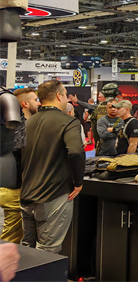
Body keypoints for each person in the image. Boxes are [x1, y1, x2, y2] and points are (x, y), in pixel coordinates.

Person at [20, 80, 85, 253]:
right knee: (47, 252)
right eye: (65, 95)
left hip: (27, 194)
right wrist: (78, 182)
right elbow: (76, 152)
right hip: (53, 194)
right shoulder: (68, 122)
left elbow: (17, 155)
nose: (67, 99)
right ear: (58, 96)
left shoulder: (28, 123)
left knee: (27, 248)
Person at [0, 88, 39, 244]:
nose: (39, 103)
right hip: (13, 186)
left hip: (13, 184)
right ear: (25, 104)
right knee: (12, 235)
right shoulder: (20, 130)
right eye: (35, 100)